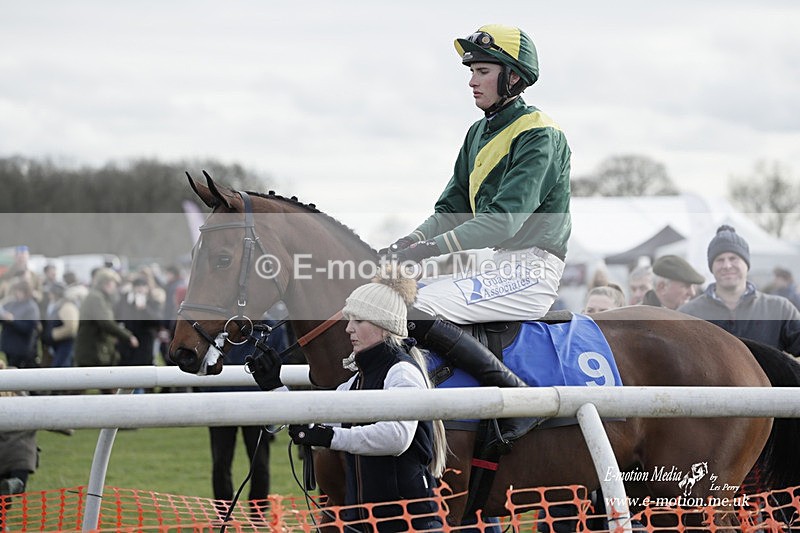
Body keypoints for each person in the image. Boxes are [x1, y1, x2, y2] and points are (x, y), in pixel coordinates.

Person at [382, 24, 571, 453]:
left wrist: (428, 250)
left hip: (534, 269)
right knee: (391, 299)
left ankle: (520, 402)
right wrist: (408, 241)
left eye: (482, 71)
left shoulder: (540, 132)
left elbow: (503, 221)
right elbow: (451, 209)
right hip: (496, 265)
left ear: (513, 77)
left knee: (418, 307)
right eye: (471, 71)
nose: (472, 81)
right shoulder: (477, 133)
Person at [249, 274, 447, 532]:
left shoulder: (402, 371)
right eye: (350, 320)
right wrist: (274, 385)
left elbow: (397, 437)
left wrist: (330, 437)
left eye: (358, 320)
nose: (348, 329)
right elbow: (313, 420)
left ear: (384, 325)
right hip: (365, 523)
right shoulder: (355, 380)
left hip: (410, 524)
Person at [205, 309, 289, 521]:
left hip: (257, 405)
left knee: (259, 462)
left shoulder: (273, 327)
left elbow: (281, 362)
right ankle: (223, 513)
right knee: (221, 462)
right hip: (222, 403)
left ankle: (258, 514)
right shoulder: (221, 326)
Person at [679, 225, 800, 355]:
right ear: (711, 267)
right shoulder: (689, 314)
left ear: (746, 264)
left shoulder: (778, 308)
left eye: (733, 258)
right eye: (720, 260)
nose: (727, 265)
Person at [74, 268, 139, 374]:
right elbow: (106, 323)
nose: (115, 287)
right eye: (114, 283)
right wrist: (128, 336)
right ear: (107, 283)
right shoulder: (96, 298)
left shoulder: (99, 297)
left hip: (96, 350)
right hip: (93, 351)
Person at [0, 360, 38, 526]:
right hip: (22, 453)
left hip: (2, 452)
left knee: (2, 495)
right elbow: (36, 411)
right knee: (16, 485)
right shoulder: (16, 380)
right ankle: (15, 484)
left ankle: (2, 523)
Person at [0, 278, 41, 369]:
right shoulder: (11, 303)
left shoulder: (31, 307)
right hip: (9, 346)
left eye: (19, 291)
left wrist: (13, 321)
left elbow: (29, 328)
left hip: (21, 348)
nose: (16, 293)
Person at [41, 282, 79, 368]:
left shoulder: (67, 306)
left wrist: (52, 334)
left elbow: (71, 328)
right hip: (57, 346)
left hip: (66, 346)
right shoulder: (56, 305)